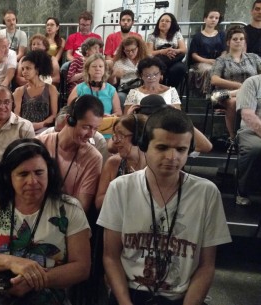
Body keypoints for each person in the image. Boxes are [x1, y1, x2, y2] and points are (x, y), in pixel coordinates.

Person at [97, 107, 232, 305]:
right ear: (144, 145)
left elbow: (206, 265)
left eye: (181, 149)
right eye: (162, 148)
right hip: (131, 294)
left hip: (182, 297)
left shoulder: (207, 193)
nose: (172, 157)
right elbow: (111, 257)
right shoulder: (120, 188)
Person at [0, 138, 92, 305]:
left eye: (39, 172)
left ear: (49, 172)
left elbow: (81, 267)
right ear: (8, 177)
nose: (32, 181)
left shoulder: (69, 208)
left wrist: (36, 279)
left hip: (48, 287)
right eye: (23, 174)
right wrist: (13, 262)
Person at [37, 95, 103, 211]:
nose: (91, 134)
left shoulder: (94, 158)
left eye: (95, 128)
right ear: (69, 120)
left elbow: (81, 208)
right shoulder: (39, 144)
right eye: (86, 127)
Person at [210, 26, 261, 144]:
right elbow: (214, 80)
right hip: (227, 96)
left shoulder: (253, 58)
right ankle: (233, 138)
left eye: (241, 39)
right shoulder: (221, 60)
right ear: (228, 42)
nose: (238, 41)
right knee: (234, 102)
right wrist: (240, 86)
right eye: (235, 39)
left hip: (251, 94)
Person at [95, 114, 147, 209]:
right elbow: (99, 203)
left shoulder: (154, 166)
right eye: (115, 136)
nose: (115, 141)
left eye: (121, 136)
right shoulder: (113, 163)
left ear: (138, 137)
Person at [13, 50, 58, 133]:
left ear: (37, 70)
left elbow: (54, 115)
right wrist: (27, 126)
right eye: (22, 69)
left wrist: (40, 125)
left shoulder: (51, 89)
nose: (24, 72)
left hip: (45, 130)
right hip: (24, 129)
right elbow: (16, 116)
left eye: (28, 68)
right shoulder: (19, 91)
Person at [67, 53, 122, 119]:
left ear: (105, 70)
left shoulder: (111, 90)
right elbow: (69, 111)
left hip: (105, 124)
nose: (97, 69)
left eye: (100, 66)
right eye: (94, 66)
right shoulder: (79, 88)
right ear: (87, 69)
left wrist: (111, 116)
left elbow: (118, 113)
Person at [235, 74, 261, 205]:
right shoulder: (252, 82)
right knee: (255, 148)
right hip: (252, 130)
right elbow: (248, 115)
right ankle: (243, 191)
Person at [188, 10, 226, 97]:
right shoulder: (197, 36)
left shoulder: (221, 35)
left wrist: (219, 60)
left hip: (218, 62)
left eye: (216, 18)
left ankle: (223, 95)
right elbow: (194, 54)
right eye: (211, 17)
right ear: (205, 19)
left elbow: (225, 51)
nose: (214, 20)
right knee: (210, 70)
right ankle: (209, 95)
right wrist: (207, 61)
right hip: (201, 62)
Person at [146, 13, 187, 89]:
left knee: (180, 66)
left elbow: (183, 50)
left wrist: (172, 50)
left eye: (167, 21)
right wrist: (163, 51)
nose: (164, 22)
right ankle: (162, 85)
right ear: (158, 23)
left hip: (174, 58)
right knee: (158, 61)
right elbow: (149, 53)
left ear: (172, 24)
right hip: (159, 58)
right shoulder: (152, 36)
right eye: (162, 21)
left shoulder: (177, 34)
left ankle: (170, 90)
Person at [111, 36, 149, 107]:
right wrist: (114, 75)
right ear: (123, 50)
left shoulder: (146, 59)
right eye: (127, 51)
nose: (130, 53)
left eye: (133, 50)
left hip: (143, 88)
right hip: (126, 89)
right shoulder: (119, 62)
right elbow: (114, 82)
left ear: (138, 48)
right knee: (120, 96)